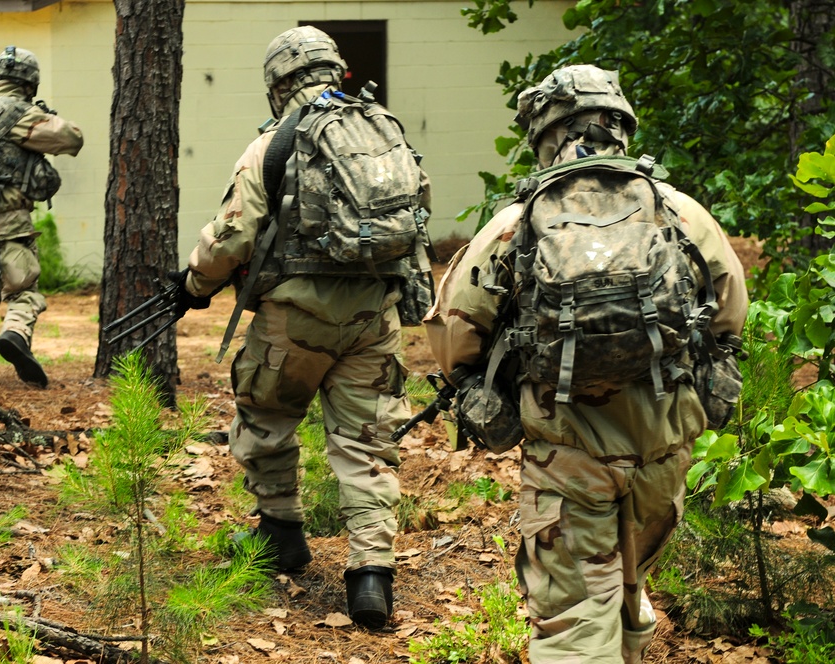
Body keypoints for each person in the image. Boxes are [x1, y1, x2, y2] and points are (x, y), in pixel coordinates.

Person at [424, 64, 748, 662]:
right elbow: (729, 309)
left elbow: (454, 328)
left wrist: (478, 388)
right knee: (628, 585)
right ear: (621, 127)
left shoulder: (517, 222)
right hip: (663, 445)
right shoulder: (677, 211)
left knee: (575, 614)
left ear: (546, 135)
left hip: (567, 450)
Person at [176, 26, 432, 629]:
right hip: (375, 316)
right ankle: (371, 577)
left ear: (278, 84)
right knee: (367, 444)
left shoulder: (273, 143)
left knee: (266, 417)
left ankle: (281, 537)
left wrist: (194, 284)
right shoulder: (384, 132)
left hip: (295, 320)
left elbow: (234, 235)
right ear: (335, 72)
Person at [0, 46, 84, 388]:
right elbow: (71, 138)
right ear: (30, 83)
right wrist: (40, 114)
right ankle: (15, 334)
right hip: (5, 216)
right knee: (23, 289)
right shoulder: (16, 112)